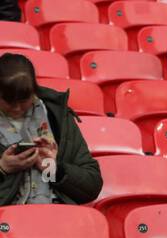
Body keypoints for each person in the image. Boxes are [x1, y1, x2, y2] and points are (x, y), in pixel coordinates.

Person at [0, 54, 101, 207]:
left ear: (34, 90)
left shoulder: (56, 115)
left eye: (23, 101)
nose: (17, 108)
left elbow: (92, 185)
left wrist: (55, 168)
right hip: (7, 221)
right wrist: (3, 168)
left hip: (57, 215)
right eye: (9, 102)